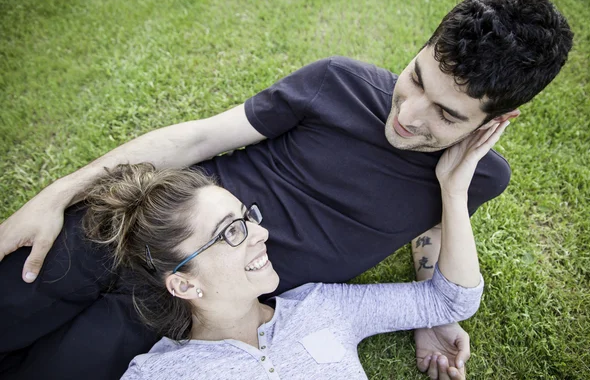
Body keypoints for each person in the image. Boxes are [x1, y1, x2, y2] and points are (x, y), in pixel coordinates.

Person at [0, 0, 572, 380]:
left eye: (447, 115)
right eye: (416, 77)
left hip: (189, 311)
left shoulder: (478, 177)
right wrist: (58, 193)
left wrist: (433, 314)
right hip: (136, 226)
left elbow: (431, 238)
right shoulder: (337, 83)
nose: (411, 114)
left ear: (494, 123)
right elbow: (195, 140)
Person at [87, 121, 505, 380]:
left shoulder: (323, 307)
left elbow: (450, 299)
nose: (261, 233)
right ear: (182, 282)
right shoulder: (159, 374)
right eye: (231, 232)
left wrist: (453, 190)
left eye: (247, 217)